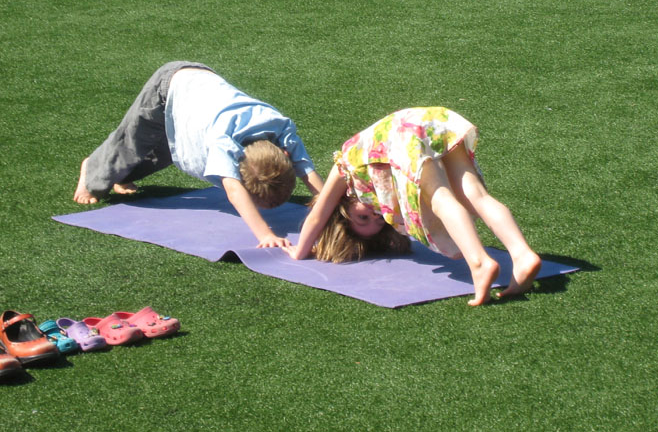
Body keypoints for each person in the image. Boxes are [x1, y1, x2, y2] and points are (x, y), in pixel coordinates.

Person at [284, 107, 542, 307]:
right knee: (476, 195)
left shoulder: (345, 167)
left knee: (441, 199)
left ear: (340, 213)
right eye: (378, 221)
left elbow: (318, 215)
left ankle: (479, 262)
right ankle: (522, 254)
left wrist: (300, 250)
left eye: (362, 218)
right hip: (432, 119)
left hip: (403, 133)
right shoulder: (366, 182)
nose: (374, 214)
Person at [73, 62, 324, 249]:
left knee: (166, 152)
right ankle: (91, 170)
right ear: (238, 171)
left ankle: (122, 175)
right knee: (132, 143)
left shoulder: (281, 128)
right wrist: (265, 234)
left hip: (198, 92)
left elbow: (307, 171)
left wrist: (335, 208)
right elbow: (233, 190)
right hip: (169, 86)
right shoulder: (223, 140)